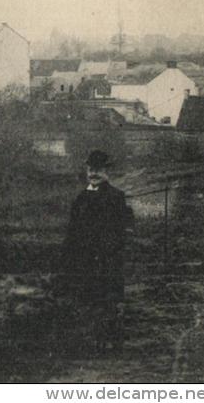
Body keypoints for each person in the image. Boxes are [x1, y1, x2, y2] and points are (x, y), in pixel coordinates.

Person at [58, 149, 135, 352]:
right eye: (91, 170)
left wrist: (109, 252)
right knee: (86, 299)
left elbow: (120, 230)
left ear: (107, 172)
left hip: (106, 259)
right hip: (84, 259)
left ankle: (111, 342)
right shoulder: (80, 199)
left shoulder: (116, 197)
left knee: (107, 301)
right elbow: (72, 230)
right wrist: (68, 255)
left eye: (98, 170)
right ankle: (90, 342)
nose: (94, 174)